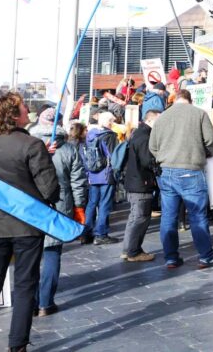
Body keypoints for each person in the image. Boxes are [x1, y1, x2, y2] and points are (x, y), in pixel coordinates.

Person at [0, 92, 59, 351]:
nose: (27, 112)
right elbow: (49, 190)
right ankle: (17, 345)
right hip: (26, 225)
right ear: (15, 115)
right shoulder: (32, 145)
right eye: (23, 108)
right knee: (25, 284)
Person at [148, 89, 213, 269]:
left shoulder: (162, 117)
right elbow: (211, 141)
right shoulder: (199, 114)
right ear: (190, 100)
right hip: (191, 170)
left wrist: (165, 158)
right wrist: (205, 154)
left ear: (175, 100)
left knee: (168, 217)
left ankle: (171, 258)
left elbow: (153, 147)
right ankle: (206, 257)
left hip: (167, 171)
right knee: (197, 216)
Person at [40, 122, 87, 317]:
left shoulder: (27, 145)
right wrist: (79, 206)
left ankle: (33, 300)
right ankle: (45, 302)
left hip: (32, 206)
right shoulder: (68, 149)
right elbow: (78, 182)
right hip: (59, 203)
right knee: (52, 251)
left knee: (31, 255)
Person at [121, 109, 160, 263]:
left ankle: (128, 249)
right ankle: (134, 251)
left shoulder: (138, 133)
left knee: (135, 218)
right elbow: (147, 161)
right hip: (140, 182)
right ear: (150, 120)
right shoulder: (144, 136)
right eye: (158, 120)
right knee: (140, 218)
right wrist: (158, 165)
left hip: (135, 181)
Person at [83, 111, 120, 245]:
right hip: (106, 174)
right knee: (104, 204)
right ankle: (101, 234)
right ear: (109, 122)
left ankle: (86, 233)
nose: (113, 124)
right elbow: (114, 156)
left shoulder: (90, 135)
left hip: (92, 175)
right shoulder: (109, 136)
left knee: (92, 203)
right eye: (112, 121)